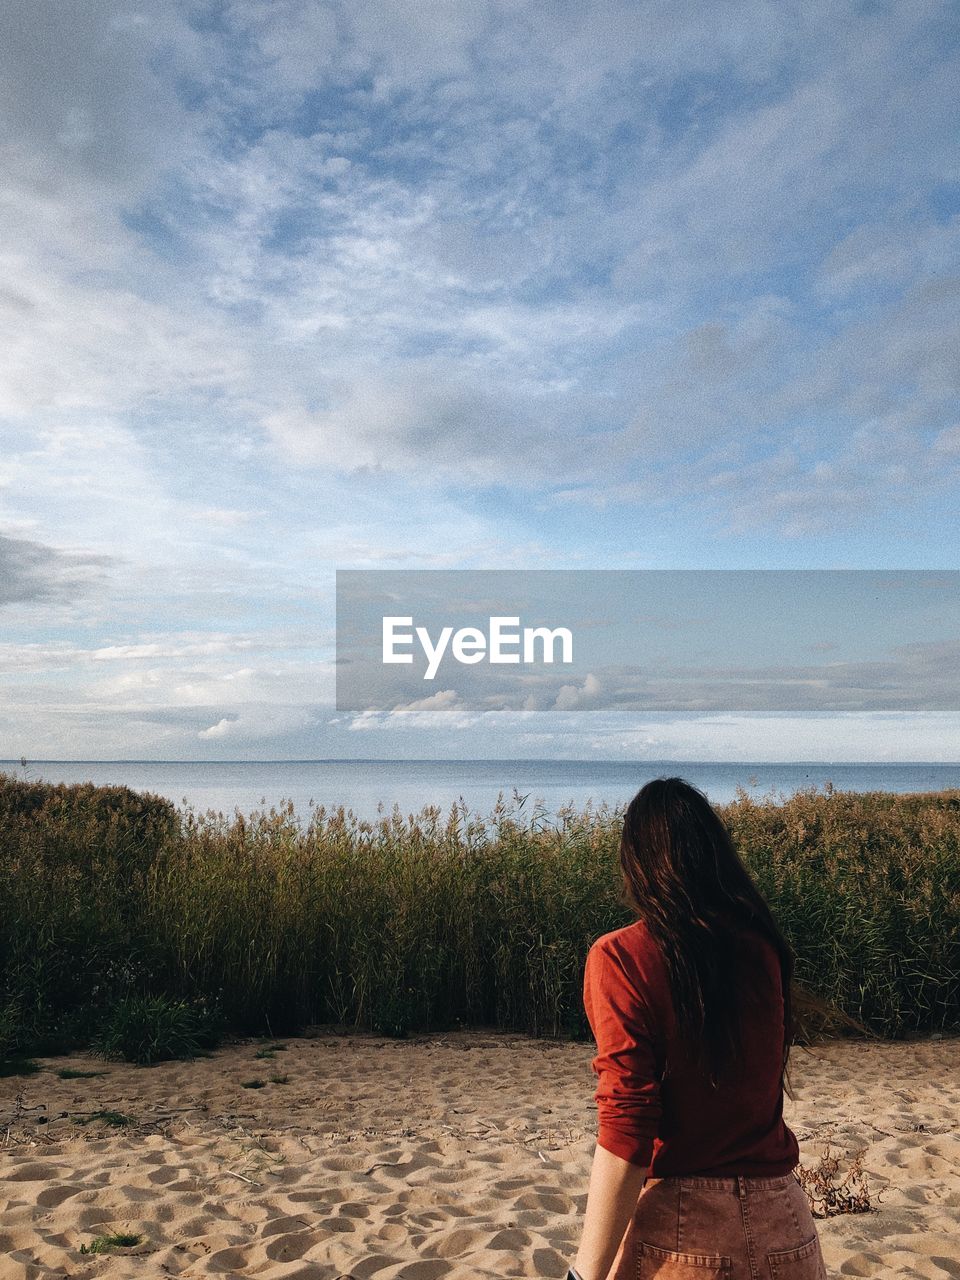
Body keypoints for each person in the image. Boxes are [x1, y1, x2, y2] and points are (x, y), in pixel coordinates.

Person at [567, 777, 827, 1280]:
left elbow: (627, 1127)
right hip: (786, 1226)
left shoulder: (620, 956)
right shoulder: (761, 948)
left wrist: (584, 1274)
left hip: (685, 1235)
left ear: (636, 863)